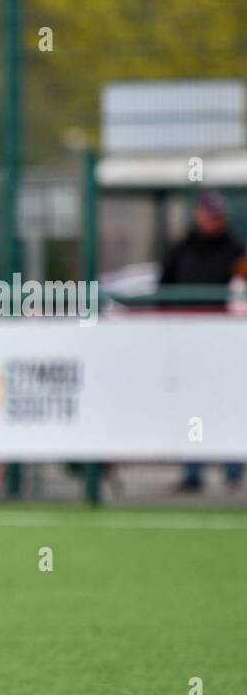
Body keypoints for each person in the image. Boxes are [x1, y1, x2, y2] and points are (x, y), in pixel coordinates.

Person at [159, 190, 247, 492]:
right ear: (199, 214)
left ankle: (234, 469)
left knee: (229, 403)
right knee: (192, 407)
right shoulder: (182, 249)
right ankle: (193, 471)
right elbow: (164, 290)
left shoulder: (236, 250)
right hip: (187, 341)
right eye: (210, 214)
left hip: (223, 343)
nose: (214, 221)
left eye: (218, 215)